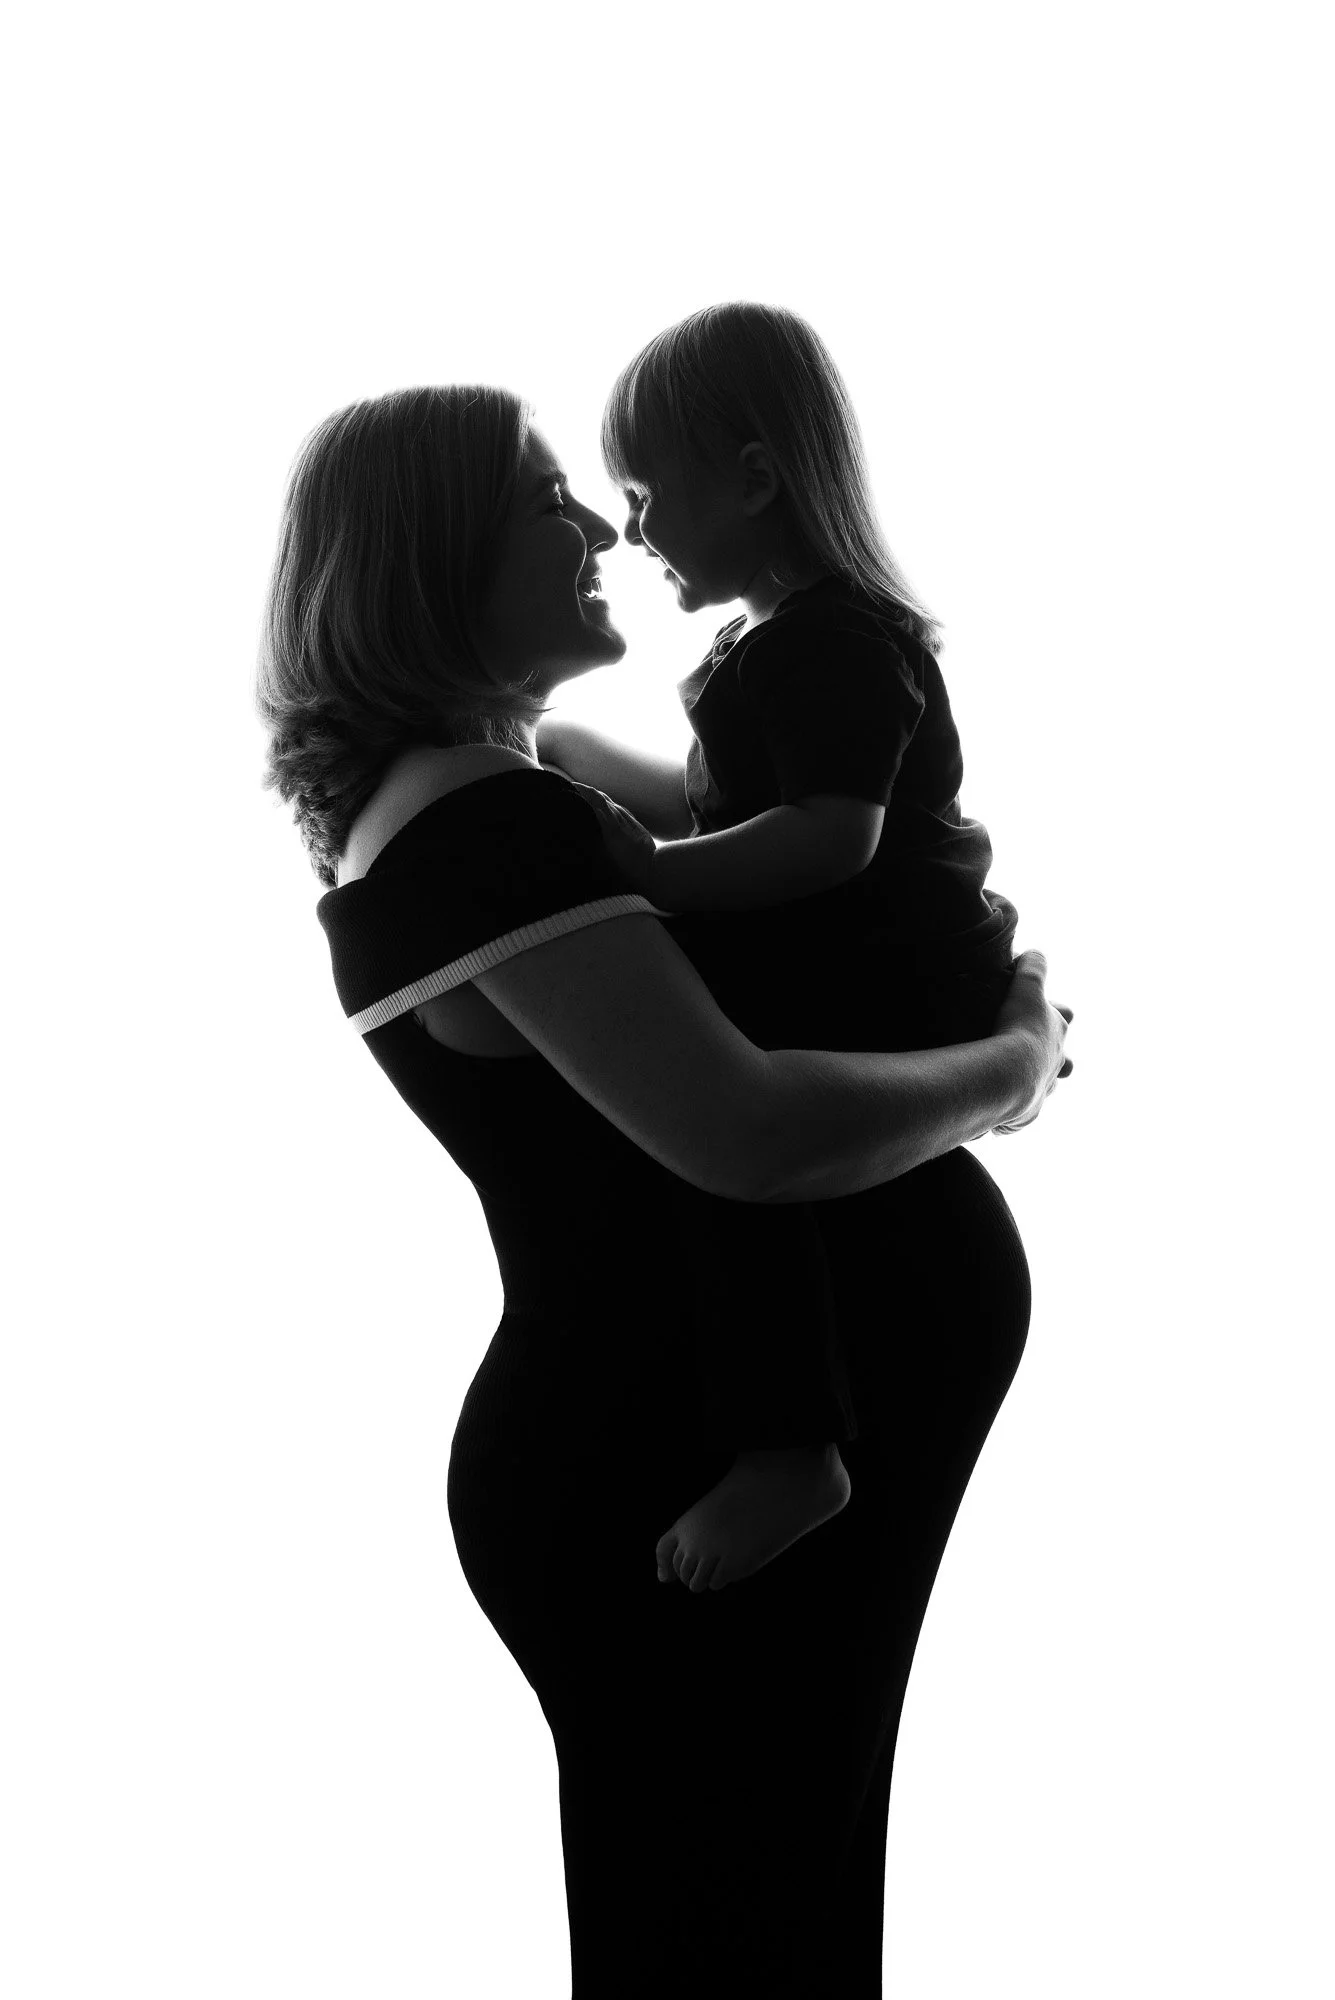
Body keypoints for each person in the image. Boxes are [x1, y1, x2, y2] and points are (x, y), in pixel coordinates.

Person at [255, 382, 1071, 1997]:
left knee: (762, 1924)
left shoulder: (511, 783)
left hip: (682, 1444)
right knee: (736, 1942)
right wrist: (1008, 1061)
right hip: (666, 1465)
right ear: (431, 559)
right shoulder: (478, 830)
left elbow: (756, 834)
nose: (593, 528)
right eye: (542, 499)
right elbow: (746, 1133)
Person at [540, 301, 1029, 1596]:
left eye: (644, 495)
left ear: (755, 478)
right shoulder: (764, 643)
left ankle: (789, 1446)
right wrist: (578, 758)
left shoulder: (833, 642)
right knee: (702, 1090)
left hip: (899, 965)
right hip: (868, 953)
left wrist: (656, 876)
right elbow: (726, 812)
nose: (630, 529)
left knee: (717, 1116)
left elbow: (827, 838)